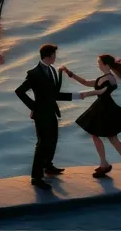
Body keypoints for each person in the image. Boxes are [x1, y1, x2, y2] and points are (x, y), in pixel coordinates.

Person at [15, 44, 85, 190]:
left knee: (53, 139)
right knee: (42, 143)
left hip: (51, 111)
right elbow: (20, 91)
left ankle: (48, 165)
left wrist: (78, 96)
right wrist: (34, 107)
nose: (55, 58)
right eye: (54, 55)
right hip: (41, 114)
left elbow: (54, 95)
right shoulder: (34, 73)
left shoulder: (51, 70)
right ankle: (36, 176)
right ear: (47, 56)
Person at [64, 54, 121, 179]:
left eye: (99, 62)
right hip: (100, 108)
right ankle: (105, 163)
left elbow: (101, 92)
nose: (98, 64)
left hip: (106, 109)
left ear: (106, 64)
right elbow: (85, 82)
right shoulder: (102, 78)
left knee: (113, 139)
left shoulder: (111, 79)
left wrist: (86, 94)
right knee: (96, 134)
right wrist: (69, 73)